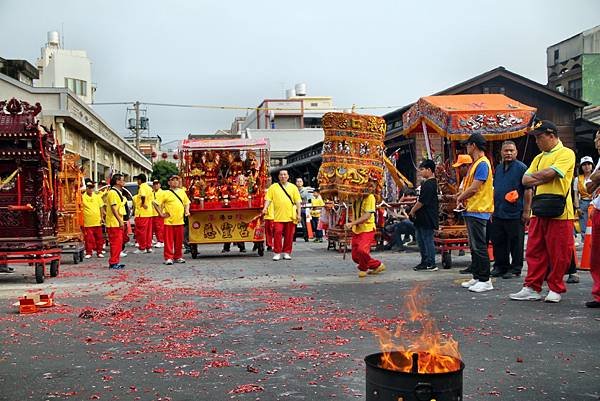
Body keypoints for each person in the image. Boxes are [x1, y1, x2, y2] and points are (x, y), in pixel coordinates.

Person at [510, 120, 576, 303]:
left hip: (561, 211)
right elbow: (524, 180)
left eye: (540, 137)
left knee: (559, 252)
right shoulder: (538, 158)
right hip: (538, 209)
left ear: (552, 135)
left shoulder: (566, 153)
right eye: (536, 137)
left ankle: (555, 287)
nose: (537, 141)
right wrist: (545, 176)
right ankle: (532, 286)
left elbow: (549, 174)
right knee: (534, 249)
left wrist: (539, 177)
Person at [457, 133, 494, 292]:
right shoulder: (476, 163)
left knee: (479, 246)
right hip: (471, 209)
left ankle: (485, 280)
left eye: (468, 145)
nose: (466, 147)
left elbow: (475, 187)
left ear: (473, 145)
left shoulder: (482, 164)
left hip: (479, 209)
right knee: (474, 246)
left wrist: (460, 197)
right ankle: (477, 276)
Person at [490, 141, 532, 279]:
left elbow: (528, 190)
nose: (508, 153)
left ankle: (515, 269)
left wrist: (526, 211)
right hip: (499, 211)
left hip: (515, 211)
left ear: (516, 153)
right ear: (501, 152)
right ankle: (501, 266)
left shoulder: (522, 168)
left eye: (511, 151)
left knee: (516, 242)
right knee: (498, 241)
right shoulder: (499, 168)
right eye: (506, 150)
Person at [263, 170, 301, 261]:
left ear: (288, 176)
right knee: (277, 233)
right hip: (277, 216)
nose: (283, 176)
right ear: (278, 176)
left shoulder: (293, 187)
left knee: (289, 235)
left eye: (285, 174)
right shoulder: (273, 187)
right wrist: (265, 208)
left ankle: (287, 252)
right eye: (281, 175)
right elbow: (268, 199)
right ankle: (277, 252)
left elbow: (298, 202)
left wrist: (299, 214)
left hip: (290, 216)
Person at [345, 193, 386, 278]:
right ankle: (377, 265)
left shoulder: (370, 197)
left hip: (367, 228)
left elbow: (367, 216)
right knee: (355, 257)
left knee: (362, 250)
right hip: (356, 229)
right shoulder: (355, 197)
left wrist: (352, 223)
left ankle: (363, 268)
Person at [153, 175, 191, 265]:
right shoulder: (165, 193)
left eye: (176, 180)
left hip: (180, 220)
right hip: (169, 221)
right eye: (172, 180)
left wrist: (187, 210)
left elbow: (187, 202)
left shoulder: (182, 192)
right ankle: (168, 257)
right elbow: (155, 203)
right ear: (169, 182)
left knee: (179, 241)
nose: (175, 182)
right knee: (169, 241)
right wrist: (161, 214)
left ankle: (178, 256)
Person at [409, 160, 439, 271]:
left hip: (427, 217)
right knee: (421, 240)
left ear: (429, 170)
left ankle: (431, 262)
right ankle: (425, 261)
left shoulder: (429, 184)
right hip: (422, 218)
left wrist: (412, 210)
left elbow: (422, 201)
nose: (420, 172)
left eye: (422, 169)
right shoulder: (427, 183)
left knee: (427, 240)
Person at [584, 151, 600, 308]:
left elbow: (594, 179)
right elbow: (589, 186)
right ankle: (599, 294)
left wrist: (596, 178)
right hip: (598, 209)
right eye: (597, 138)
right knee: (596, 256)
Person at [105, 174, 127, 269]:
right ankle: (113, 262)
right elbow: (114, 209)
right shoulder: (113, 193)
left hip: (116, 221)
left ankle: (115, 261)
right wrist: (120, 221)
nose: (124, 182)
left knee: (118, 243)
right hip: (114, 222)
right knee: (115, 243)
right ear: (117, 181)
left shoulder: (117, 192)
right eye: (122, 180)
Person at [574, 156, 595, 244]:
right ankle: (585, 242)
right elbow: (576, 194)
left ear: (592, 166)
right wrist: (578, 207)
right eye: (584, 164)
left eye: (589, 164)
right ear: (581, 167)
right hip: (583, 202)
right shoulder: (577, 179)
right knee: (583, 224)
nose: (587, 166)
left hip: (594, 202)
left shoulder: (596, 177)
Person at [82, 182, 105, 259]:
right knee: (89, 238)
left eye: (92, 187)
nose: (91, 189)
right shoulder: (82, 197)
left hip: (97, 221)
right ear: (86, 188)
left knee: (99, 238)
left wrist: (102, 217)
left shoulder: (97, 197)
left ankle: (99, 252)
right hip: (87, 221)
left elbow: (101, 207)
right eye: (89, 187)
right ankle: (89, 252)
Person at [133, 173, 154, 254]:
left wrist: (143, 203)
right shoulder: (149, 187)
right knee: (148, 231)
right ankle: (148, 247)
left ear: (140, 180)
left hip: (142, 213)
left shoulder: (142, 186)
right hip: (149, 212)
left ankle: (142, 247)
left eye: (137, 180)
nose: (137, 182)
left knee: (141, 231)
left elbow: (143, 195)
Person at [295, 178, 312, 242]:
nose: (299, 183)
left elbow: (302, 197)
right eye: (298, 181)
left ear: (302, 183)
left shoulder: (305, 190)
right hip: (295, 208)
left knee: (303, 224)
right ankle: (293, 238)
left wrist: (297, 197)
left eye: (300, 181)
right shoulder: (294, 189)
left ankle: (306, 237)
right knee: (294, 224)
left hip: (302, 209)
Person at [151, 179, 165, 248]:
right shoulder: (152, 192)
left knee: (159, 228)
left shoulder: (161, 193)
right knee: (156, 228)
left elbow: (158, 203)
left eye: (157, 184)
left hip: (159, 213)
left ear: (160, 185)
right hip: (153, 213)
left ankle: (161, 241)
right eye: (154, 184)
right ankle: (159, 240)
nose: (156, 185)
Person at [263, 176, 274, 251]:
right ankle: (269, 244)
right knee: (267, 231)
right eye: (267, 180)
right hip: (265, 214)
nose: (268, 181)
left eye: (270, 180)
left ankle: (273, 244)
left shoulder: (274, 189)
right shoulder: (261, 190)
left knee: (274, 231)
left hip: (275, 214)